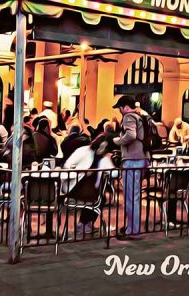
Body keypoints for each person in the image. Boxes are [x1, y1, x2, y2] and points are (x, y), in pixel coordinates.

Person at [62, 134, 118, 234]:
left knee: (100, 198)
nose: (102, 149)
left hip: (92, 190)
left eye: (105, 147)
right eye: (101, 146)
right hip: (77, 186)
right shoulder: (84, 151)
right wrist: (83, 171)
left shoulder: (104, 158)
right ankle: (84, 223)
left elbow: (115, 174)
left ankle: (85, 223)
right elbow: (68, 165)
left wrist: (109, 160)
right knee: (98, 198)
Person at [112, 95, 149, 239]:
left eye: (120, 108)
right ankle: (132, 227)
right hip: (142, 158)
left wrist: (117, 141)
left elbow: (131, 135)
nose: (120, 111)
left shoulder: (128, 117)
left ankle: (132, 231)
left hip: (133, 159)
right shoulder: (141, 117)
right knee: (135, 196)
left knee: (130, 197)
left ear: (126, 107)